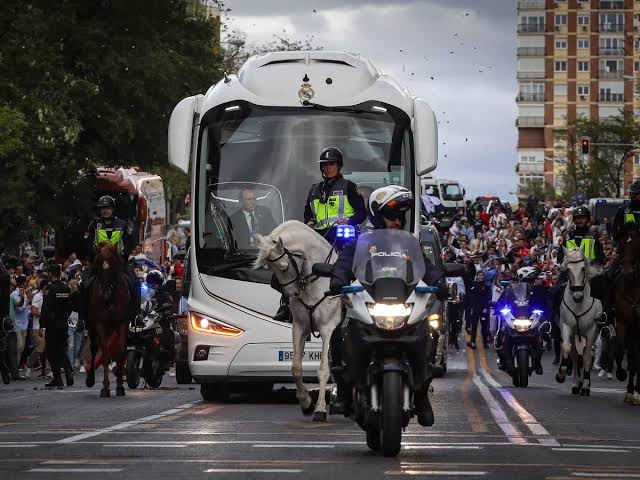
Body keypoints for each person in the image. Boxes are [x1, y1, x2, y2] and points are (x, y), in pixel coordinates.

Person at [329, 185, 448, 427]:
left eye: (399, 217)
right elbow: (344, 262)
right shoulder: (360, 242)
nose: (397, 221)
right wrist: (337, 278)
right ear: (376, 215)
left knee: (428, 333)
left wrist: (439, 280)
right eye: (391, 216)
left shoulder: (409, 244)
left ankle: (422, 395)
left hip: (402, 304)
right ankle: (342, 391)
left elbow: (428, 266)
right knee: (337, 333)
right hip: (369, 303)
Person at [81, 195, 139, 322]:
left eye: (107, 208)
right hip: (97, 263)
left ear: (113, 209)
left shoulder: (122, 224)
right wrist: (94, 257)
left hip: (119, 263)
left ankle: (136, 315)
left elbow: (130, 243)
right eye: (102, 208)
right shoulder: (94, 225)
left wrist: (123, 258)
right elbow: (87, 243)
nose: (105, 211)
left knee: (135, 283)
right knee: (83, 284)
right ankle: (82, 317)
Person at [303, 147, 367, 243]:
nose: (328, 168)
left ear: (338, 166)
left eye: (332, 164)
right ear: (321, 167)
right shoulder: (313, 190)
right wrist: (309, 222)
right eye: (325, 164)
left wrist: (349, 222)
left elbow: (362, 213)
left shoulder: (349, 186)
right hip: (319, 237)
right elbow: (308, 214)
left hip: (343, 237)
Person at [495, 266, 546, 374]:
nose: (531, 283)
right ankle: (503, 357)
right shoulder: (509, 290)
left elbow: (544, 302)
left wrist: (541, 310)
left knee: (541, 333)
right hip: (514, 317)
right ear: (521, 279)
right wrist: (499, 309)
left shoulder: (537, 290)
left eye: (532, 280)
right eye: (528, 280)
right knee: (502, 331)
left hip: (530, 318)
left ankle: (537, 362)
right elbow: (501, 302)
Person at [40, 264, 74, 389]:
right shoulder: (66, 288)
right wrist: (64, 316)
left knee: (50, 350)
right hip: (63, 322)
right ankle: (68, 370)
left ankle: (58, 378)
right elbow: (70, 306)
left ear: (50, 274)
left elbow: (46, 308)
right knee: (60, 349)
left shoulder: (50, 288)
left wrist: (42, 325)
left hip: (53, 324)